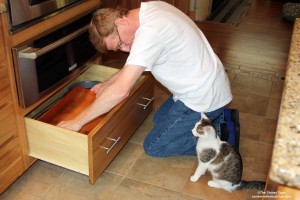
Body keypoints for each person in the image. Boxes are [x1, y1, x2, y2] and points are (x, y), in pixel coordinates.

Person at [57, 1, 239, 156]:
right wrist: (106, 83)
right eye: (119, 48)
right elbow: (134, 64)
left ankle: (219, 142)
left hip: (203, 97)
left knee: (154, 146)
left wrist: (77, 122)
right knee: (159, 120)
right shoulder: (151, 8)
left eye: (120, 44)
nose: (126, 49)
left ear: (120, 22)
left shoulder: (150, 34)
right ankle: (213, 120)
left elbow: (121, 91)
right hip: (207, 84)